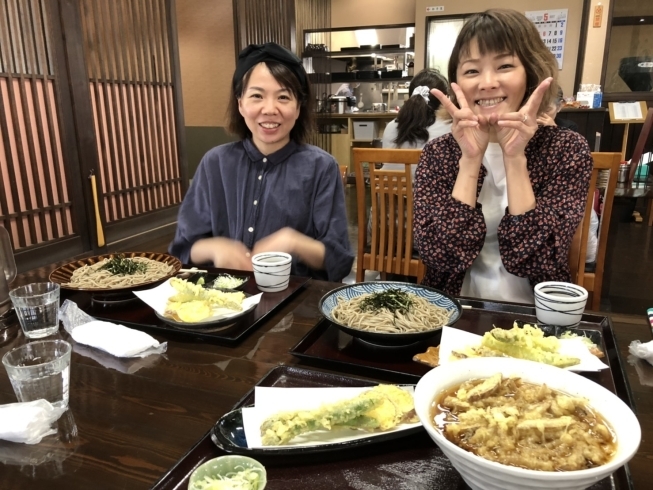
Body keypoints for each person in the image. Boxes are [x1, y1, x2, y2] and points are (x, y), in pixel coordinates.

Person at [413, 9, 593, 303]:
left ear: (531, 73)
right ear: (456, 83)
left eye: (504, 66)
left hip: (540, 323)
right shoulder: (439, 152)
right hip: (452, 315)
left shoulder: (565, 149)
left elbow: (538, 261)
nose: (487, 82)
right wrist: (470, 161)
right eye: (471, 70)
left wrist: (515, 157)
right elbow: (441, 257)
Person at [169, 42, 354, 282]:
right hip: (221, 303)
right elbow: (182, 248)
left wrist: (293, 241)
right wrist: (216, 248)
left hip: (293, 304)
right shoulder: (215, 163)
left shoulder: (321, 167)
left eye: (283, 97)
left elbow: (338, 260)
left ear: (298, 107)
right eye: (257, 95)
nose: (269, 109)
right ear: (240, 104)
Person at [381, 69, 452, 176]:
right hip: (429, 192)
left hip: (391, 190)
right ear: (444, 99)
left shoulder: (390, 127)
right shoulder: (449, 127)